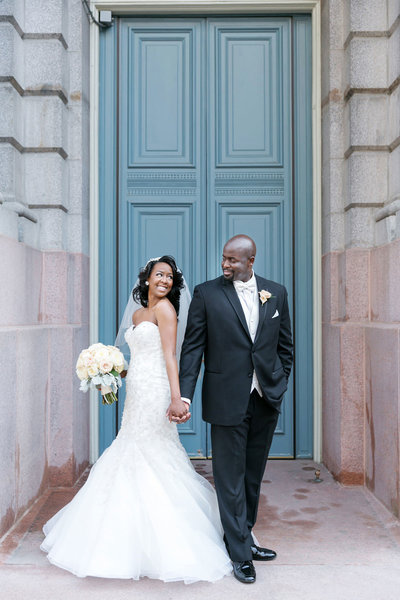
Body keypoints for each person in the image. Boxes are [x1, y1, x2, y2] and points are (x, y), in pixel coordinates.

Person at [40, 256, 231, 583]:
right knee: (129, 448)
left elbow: (170, 355)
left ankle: (171, 539)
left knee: (152, 452)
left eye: (170, 277)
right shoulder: (139, 313)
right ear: (146, 279)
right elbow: (139, 356)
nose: (165, 281)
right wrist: (109, 371)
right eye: (159, 275)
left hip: (157, 390)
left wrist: (176, 397)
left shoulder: (166, 311)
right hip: (137, 388)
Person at [178, 235, 293, 584]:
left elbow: (285, 346)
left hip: (265, 398)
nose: (225, 265)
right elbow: (192, 349)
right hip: (226, 397)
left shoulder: (277, 292)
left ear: (251, 260)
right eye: (224, 259)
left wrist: (279, 382)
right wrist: (185, 395)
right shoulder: (206, 293)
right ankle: (240, 553)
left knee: (253, 474)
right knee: (229, 477)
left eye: (233, 260)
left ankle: (243, 535)